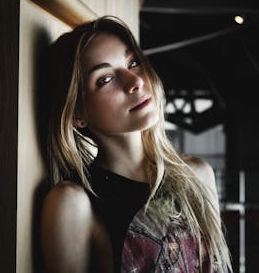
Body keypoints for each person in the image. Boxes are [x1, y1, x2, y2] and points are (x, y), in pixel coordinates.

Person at [40, 16, 232, 273]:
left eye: (133, 62)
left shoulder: (197, 175)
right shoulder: (73, 203)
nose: (135, 82)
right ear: (77, 114)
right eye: (105, 79)